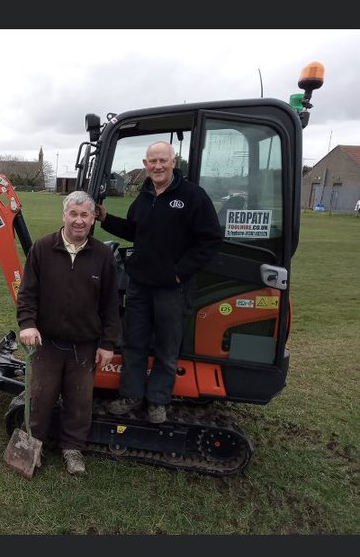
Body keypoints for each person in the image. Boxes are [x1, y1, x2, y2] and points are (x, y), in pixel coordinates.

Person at [96, 141, 223, 424]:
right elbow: (134, 231)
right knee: (134, 343)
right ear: (145, 164)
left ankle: (157, 402)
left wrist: (179, 272)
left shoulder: (192, 196)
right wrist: (106, 219)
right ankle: (130, 396)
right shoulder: (143, 197)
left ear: (173, 162)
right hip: (140, 285)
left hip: (173, 288)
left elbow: (211, 239)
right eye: (152, 161)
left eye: (163, 160)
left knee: (167, 348)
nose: (157, 166)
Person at [16, 190, 121, 476]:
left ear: (92, 218)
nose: (78, 220)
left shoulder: (102, 255)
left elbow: (111, 304)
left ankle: (72, 449)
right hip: (47, 343)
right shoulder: (42, 248)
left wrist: (108, 342)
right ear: (64, 216)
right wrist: (27, 324)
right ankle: (33, 444)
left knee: (79, 400)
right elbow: (27, 294)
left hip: (84, 346)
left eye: (84, 215)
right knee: (40, 396)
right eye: (73, 214)